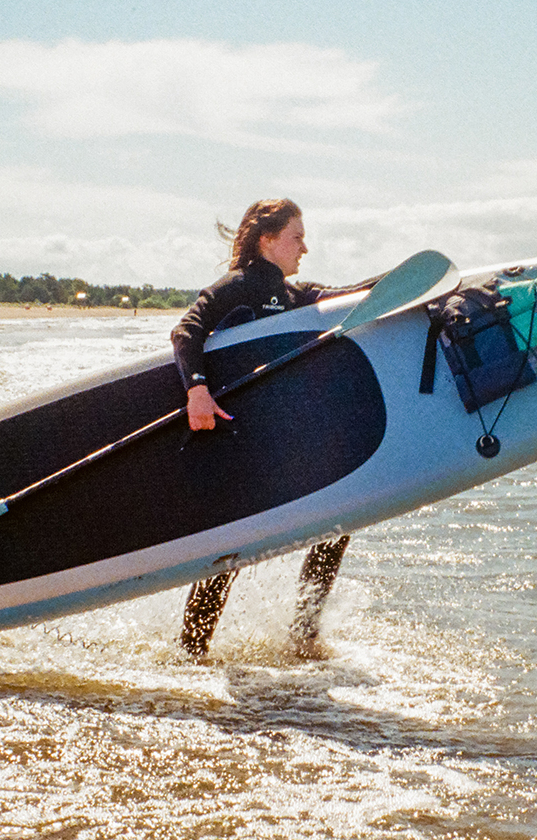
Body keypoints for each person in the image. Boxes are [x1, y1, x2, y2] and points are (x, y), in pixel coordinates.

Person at [170, 198, 371, 660]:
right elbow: (186, 332)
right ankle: (191, 650)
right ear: (267, 240)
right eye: (296, 237)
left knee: (338, 519)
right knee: (231, 549)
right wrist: (196, 390)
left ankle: (303, 635)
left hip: (278, 442)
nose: (305, 248)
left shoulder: (294, 295)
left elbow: (347, 294)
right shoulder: (237, 287)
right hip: (239, 441)